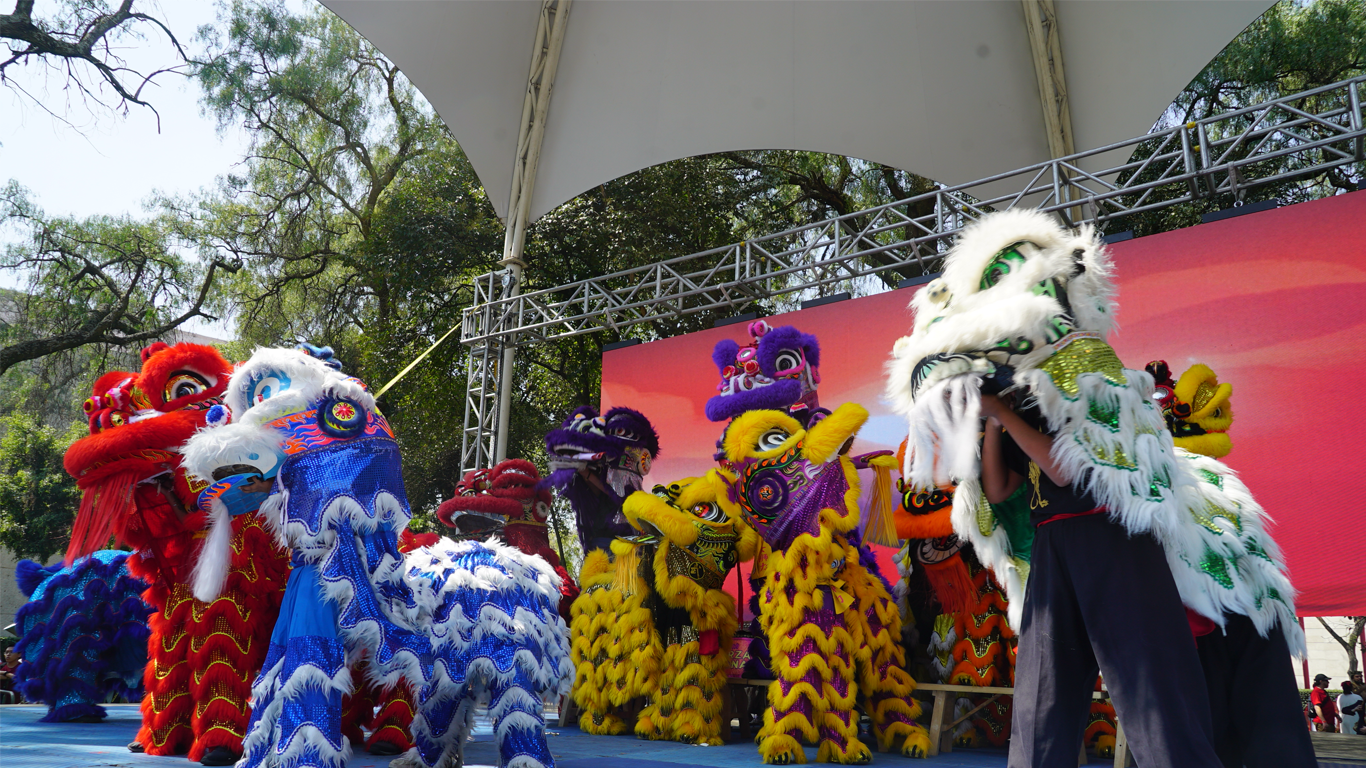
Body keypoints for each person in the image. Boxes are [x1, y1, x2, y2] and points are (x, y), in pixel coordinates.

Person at [980, 393, 1225, 768]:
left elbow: (1062, 471)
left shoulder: (1091, 391)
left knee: (1147, 679)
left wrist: (1000, 411)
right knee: (1044, 681)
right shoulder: (1025, 412)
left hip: (1111, 534)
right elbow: (997, 489)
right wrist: (995, 422)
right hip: (1050, 543)